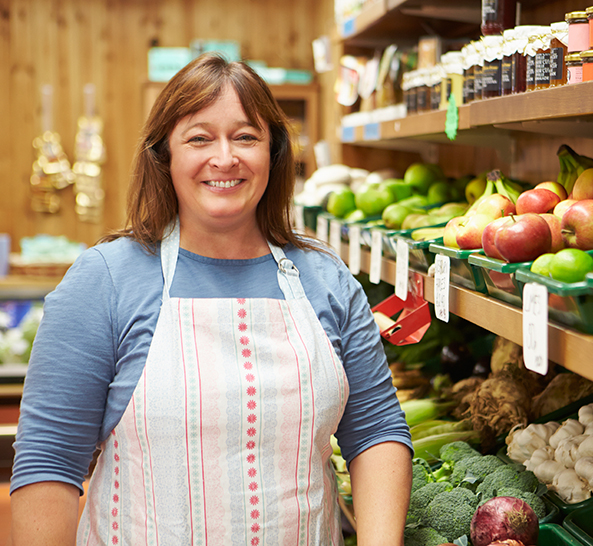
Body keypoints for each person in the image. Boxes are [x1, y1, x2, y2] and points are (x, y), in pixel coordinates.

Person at [10, 53, 413, 546]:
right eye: (199, 138)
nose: (225, 158)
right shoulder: (106, 280)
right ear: (165, 156)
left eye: (246, 137)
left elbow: (375, 432)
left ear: (275, 152)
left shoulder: (324, 278)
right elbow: (50, 459)